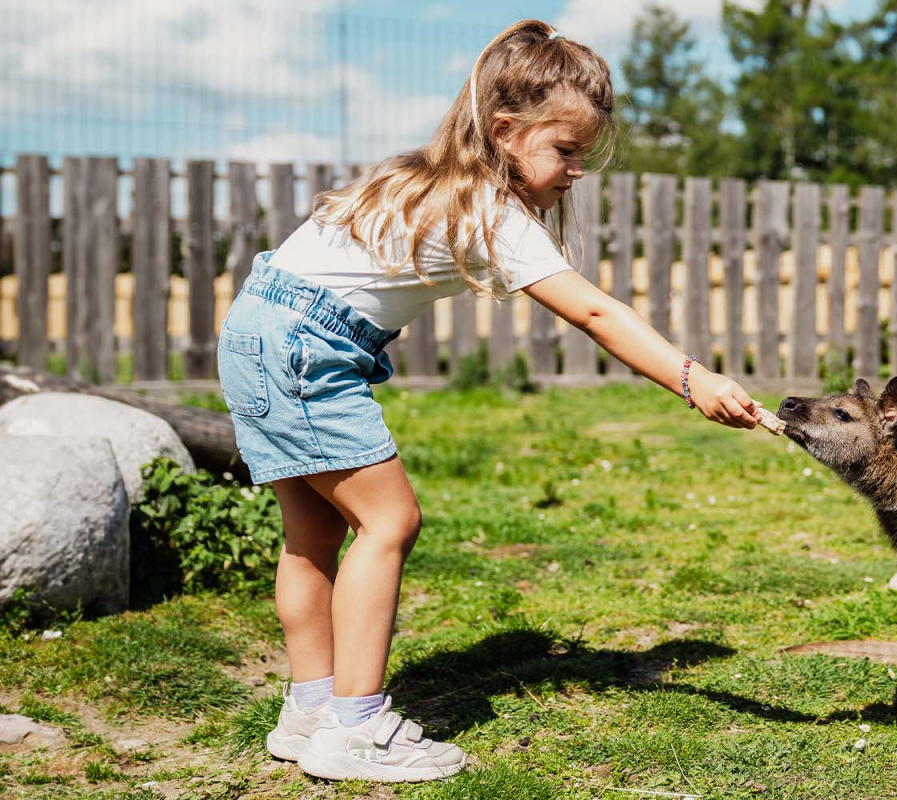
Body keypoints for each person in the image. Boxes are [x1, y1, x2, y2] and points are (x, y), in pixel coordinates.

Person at [216, 19, 762, 783]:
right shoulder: (491, 211)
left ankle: (309, 711)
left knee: (311, 534)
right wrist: (691, 377)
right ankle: (357, 728)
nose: (576, 170)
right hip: (309, 348)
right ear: (505, 131)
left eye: (583, 153)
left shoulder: (409, 173)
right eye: (564, 150)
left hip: (255, 326)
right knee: (389, 520)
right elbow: (595, 311)